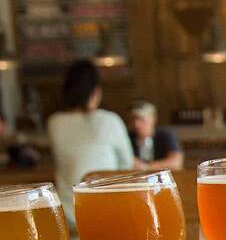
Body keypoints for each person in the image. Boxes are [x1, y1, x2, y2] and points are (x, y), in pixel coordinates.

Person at [48, 60, 134, 227]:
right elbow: (127, 165)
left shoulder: (54, 123)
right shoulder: (110, 120)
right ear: (96, 92)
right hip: (108, 212)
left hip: (68, 214)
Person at [128, 100, 184, 170]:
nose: (136, 124)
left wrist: (146, 167)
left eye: (141, 119)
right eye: (132, 119)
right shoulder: (127, 137)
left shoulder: (165, 135)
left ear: (153, 118)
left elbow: (176, 162)